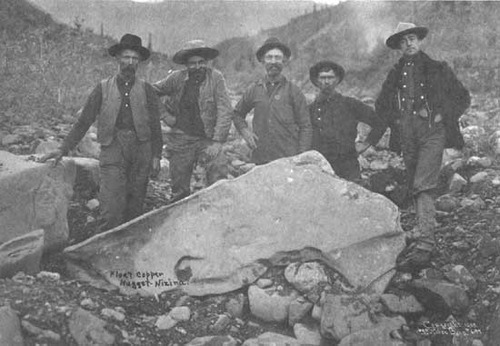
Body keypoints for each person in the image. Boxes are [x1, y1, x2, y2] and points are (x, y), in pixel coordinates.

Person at [370, 23, 470, 269]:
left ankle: (425, 245)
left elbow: (463, 97)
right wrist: (377, 134)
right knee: (415, 179)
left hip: (432, 132)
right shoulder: (394, 74)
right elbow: (381, 105)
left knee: (423, 184)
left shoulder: (438, 68)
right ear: (399, 47)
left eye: (413, 39)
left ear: (420, 40)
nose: (409, 44)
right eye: (404, 42)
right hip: (407, 134)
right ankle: (420, 227)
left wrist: (441, 116)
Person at [40, 33, 163, 231]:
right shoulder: (102, 88)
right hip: (112, 147)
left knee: (135, 208)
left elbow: (155, 126)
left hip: (141, 150)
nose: (130, 62)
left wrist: (157, 156)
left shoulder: (147, 90)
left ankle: (127, 253)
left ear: (139, 62)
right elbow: (84, 122)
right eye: (126, 57)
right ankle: (105, 248)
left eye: (134, 58)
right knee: (112, 209)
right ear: (118, 59)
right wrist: (63, 148)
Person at [152, 40, 232, 202]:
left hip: (207, 138)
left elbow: (225, 109)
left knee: (219, 174)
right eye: (192, 63)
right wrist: (165, 115)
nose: (197, 67)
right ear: (186, 65)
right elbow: (150, 91)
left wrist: (217, 141)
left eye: (201, 62)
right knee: (179, 189)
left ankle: (217, 212)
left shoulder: (216, 78)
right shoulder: (176, 78)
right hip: (181, 138)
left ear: (206, 62)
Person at [232, 37, 312, 164]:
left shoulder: (294, 91)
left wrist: (302, 156)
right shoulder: (254, 89)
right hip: (261, 157)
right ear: (263, 61)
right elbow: (237, 114)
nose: (273, 62)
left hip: (288, 159)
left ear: (284, 61)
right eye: (269, 57)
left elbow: (305, 126)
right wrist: (245, 132)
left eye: (277, 57)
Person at [309, 60, 383, 182]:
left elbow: (379, 122)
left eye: (330, 77)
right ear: (316, 81)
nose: (326, 82)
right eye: (322, 78)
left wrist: (365, 144)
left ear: (337, 80)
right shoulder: (310, 110)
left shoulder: (350, 104)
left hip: (348, 167)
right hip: (321, 168)